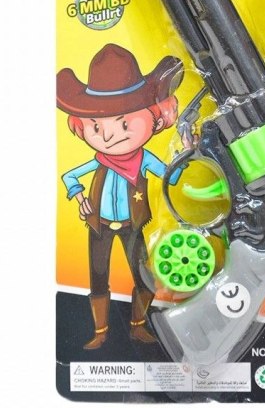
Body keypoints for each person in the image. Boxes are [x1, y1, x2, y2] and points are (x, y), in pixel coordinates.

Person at [57, 44, 184, 347]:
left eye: (124, 123)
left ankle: (138, 326)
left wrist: (187, 149)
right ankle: (100, 332)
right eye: (96, 126)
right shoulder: (99, 160)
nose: (108, 136)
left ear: (156, 118)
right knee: (98, 276)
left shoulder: (144, 159)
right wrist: (80, 198)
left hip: (132, 225)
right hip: (98, 225)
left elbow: (172, 175)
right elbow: (69, 175)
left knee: (144, 277)